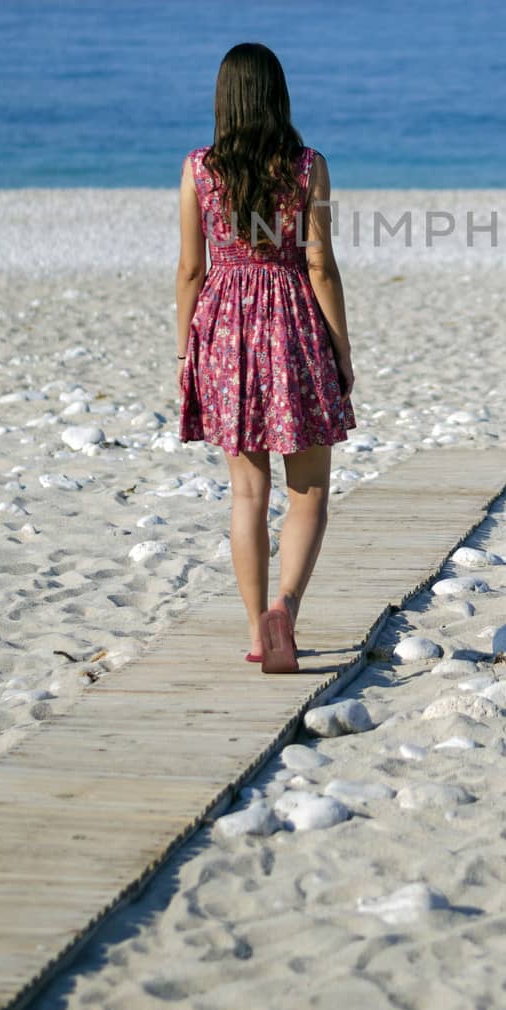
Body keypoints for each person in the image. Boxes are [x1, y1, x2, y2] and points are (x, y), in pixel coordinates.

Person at [175, 43, 355, 672]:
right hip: (293, 322)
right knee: (308, 492)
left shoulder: (199, 168)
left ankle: (257, 631)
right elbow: (319, 264)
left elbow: (191, 269)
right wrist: (341, 349)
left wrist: (185, 351)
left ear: (224, 97)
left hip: (224, 327)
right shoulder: (308, 168)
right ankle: (286, 608)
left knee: (248, 494)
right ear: (279, 95)